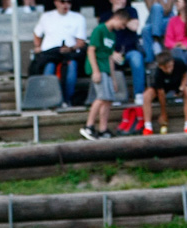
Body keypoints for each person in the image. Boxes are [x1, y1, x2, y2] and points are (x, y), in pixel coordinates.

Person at [80, 9, 131, 140]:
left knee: (108, 100)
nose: (123, 27)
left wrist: (113, 79)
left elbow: (110, 57)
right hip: (98, 68)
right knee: (101, 97)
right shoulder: (100, 29)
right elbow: (91, 51)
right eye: (123, 24)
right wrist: (95, 71)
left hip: (106, 69)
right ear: (117, 18)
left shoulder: (112, 35)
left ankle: (103, 129)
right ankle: (89, 126)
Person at [31, 0, 87, 107]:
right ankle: (48, 100)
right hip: (50, 54)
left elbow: (81, 42)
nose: (65, 5)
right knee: (49, 69)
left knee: (71, 70)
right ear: (56, 2)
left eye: (69, 2)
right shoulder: (46, 17)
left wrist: (70, 48)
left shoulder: (78, 18)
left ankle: (67, 100)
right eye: (62, 2)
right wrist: (38, 46)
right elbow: (37, 33)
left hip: (69, 54)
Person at [98, 0, 144, 118]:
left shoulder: (131, 11)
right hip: (112, 52)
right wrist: (111, 53)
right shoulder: (105, 16)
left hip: (129, 51)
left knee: (136, 58)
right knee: (108, 61)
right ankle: (116, 96)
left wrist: (121, 15)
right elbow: (101, 38)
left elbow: (134, 27)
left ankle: (139, 94)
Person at [141, 50, 187, 135]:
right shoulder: (158, 74)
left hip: (176, 84)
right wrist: (163, 113)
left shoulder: (179, 63)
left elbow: (185, 75)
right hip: (163, 87)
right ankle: (148, 127)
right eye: (165, 68)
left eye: (170, 66)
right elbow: (161, 94)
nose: (169, 69)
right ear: (160, 67)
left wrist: (182, 86)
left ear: (172, 61)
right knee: (146, 95)